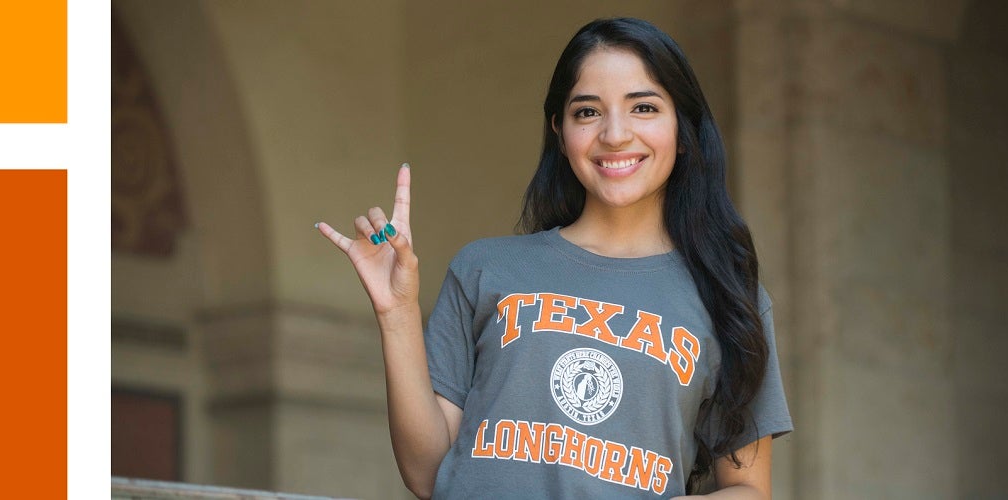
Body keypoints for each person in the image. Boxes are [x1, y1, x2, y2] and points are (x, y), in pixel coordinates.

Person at [314, 17, 792, 499]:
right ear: (560, 132)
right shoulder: (486, 269)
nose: (615, 134)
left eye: (643, 107)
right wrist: (396, 314)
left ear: (683, 130)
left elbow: (749, 489)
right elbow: (427, 474)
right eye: (587, 112)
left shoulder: (727, 296)